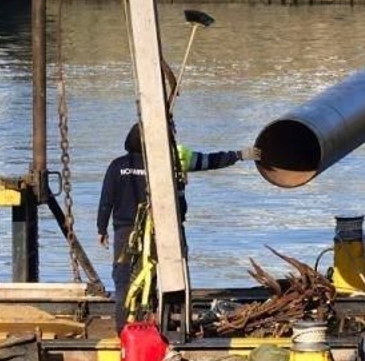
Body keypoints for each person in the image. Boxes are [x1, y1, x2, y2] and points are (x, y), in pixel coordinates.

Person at [96, 123, 257, 329]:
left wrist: (101, 229)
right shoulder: (170, 162)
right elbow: (209, 161)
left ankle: (125, 333)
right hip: (166, 228)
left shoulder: (117, 166)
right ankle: (165, 327)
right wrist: (239, 155)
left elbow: (106, 200)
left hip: (126, 233)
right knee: (167, 280)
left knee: (125, 282)